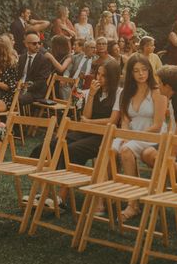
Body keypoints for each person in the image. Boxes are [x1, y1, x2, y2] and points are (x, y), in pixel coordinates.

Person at [28, 61, 122, 210]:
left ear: (113, 77)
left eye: (105, 76)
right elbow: (85, 115)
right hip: (87, 130)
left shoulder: (119, 93)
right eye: (98, 74)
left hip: (104, 135)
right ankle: (45, 191)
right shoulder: (94, 90)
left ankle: (61, 196)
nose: (100, 78)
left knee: (72, 149)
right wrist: (91, 95)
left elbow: (112, 121)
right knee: (55, 144)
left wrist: (90, 122)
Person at [112, 54, 167, 220]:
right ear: (131, 74)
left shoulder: (157, 91)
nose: (141, 74)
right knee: (111, 149)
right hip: (132, 133)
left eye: (144, 70)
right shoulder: (127, 92)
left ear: (149, 70)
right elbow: (125, 121)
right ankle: (106, 197)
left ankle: (133, 204)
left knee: (126, 150)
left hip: (153, 134)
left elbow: (158, 124)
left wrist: (132, 137)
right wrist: (125, 135)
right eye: (136, 71)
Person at [18, 33, 53, 106]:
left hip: (35, 92)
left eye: (39, 43)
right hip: (19, 88)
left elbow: (41, 81)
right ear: (27, 45)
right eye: (34, 43)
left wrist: (25, 87)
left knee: (18, 98)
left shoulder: (44, 60)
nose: (38, 46)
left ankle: (20, 116)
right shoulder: (22, 58)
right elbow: (18, 75)